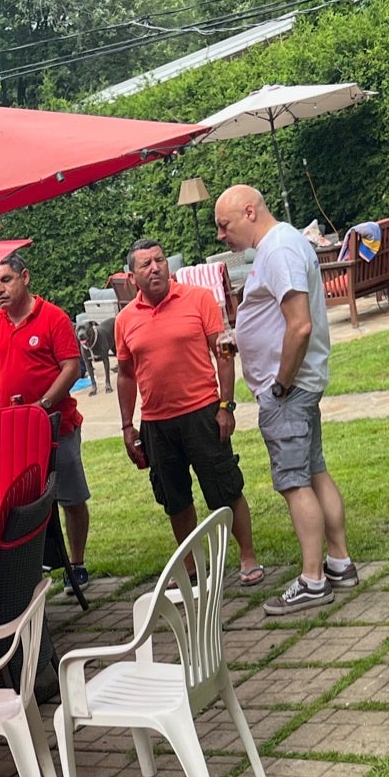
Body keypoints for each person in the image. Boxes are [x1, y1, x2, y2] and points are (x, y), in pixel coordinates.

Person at [213, 184, 358, 615]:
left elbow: (299, 327)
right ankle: (339, 562)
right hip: (297, 387)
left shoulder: (278, 250)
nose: (221, 235)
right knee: (315, 472)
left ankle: (313, 580)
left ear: (250, 211)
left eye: (225, 225)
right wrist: (243, 338)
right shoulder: (279, 246)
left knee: (295, 483)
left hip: (289, 391)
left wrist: (280, 382)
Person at [114, 237, 265, 587]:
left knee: (225, 489)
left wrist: (226, 405)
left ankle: (247, 556)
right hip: (156, 424)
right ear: (132, 277)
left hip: (202, 413)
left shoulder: (197, 299)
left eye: (160, 260)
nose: (155, 267)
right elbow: (125, 374)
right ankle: (193, 566)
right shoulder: (124, 320)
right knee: (174, 498)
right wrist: (127, 425)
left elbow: (224, 353)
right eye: (146, 264)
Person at [0, 248, 90, 584]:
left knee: (70, 496)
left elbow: (71, 368)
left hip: (58, 426)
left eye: (6, 280)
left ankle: (77, 563)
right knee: (26, 505)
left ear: (24, 278)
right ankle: (34, 570)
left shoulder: (52, 317)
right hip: (14, 433)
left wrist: (43, 405)